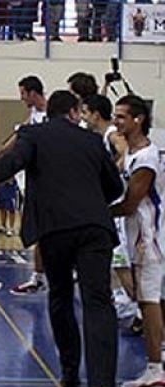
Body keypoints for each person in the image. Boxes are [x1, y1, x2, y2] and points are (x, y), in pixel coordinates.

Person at [0, 90, 123, 387]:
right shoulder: (91, 140)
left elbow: (12, 162)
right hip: (94, 227)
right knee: (98, 302)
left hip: (55, 228)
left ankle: (70, 372)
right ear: (73, 112)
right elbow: (115, 187)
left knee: (60, 296)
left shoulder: (32, 134)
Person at [110, 95, 165, 387]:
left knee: (148, 301)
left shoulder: (146, 158)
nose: (116, 121)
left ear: (138, 119)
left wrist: (97, 212)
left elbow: (131, 204)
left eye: (121, 116)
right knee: (150, 298)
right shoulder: (131, 152)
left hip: (148, 237)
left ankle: (155, 369)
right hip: (139, 236)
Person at [80, 94, 138, 321]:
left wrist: (110, 174)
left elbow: (125, 150)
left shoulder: (111, 134)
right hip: (112, 203)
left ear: (96, 115)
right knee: (115, 260)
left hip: (119, 203)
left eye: (86, 113)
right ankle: (126, 300)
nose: (83, 117)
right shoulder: (99, 136)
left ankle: (140, 309)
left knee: (120, 260)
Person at [8, 75, 48, 296]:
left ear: (33, 93)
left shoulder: (53, 114)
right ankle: (38, 277)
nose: (21, 98)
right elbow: (18, 136)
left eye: (23, 93)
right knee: (39, 231)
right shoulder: (33, 115)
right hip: (35, 181)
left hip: (53, 181)